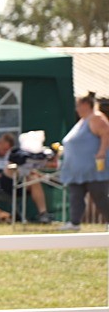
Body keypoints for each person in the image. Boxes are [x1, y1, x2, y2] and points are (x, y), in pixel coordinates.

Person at [0, 133, 53, 223]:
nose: (5, 152)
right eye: (4, 149)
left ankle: (43, 214)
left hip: (17, 183)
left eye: (8, 150)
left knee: (34, 179)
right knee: (11, 165)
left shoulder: (9, 155)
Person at [58, 94, 109, 231]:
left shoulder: (96, 118)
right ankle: (74, 223)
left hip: (94, 167)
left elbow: (106, 134)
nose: (77, 108)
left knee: (100, 196)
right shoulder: (82, 121)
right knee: (76, 196)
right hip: (77, 170)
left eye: (78, 105)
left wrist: (102, 152)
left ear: (86, 105)